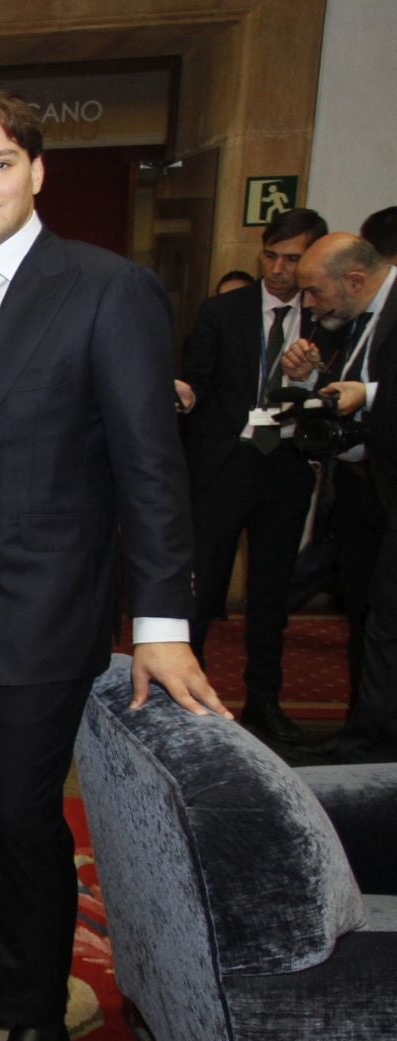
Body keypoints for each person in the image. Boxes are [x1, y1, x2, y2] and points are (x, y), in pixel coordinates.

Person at [0, 89, 227, 1041]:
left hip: (38, 613)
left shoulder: (105, 289)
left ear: (36, 171)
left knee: (20, 810)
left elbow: (149, 467)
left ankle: (36, 1009)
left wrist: (162, 622)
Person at [175, 207, 329, 748]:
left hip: (285, 469)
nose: (279, 269)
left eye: (292, 258)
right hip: (224, 468)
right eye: (271, 255)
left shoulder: (325, 318)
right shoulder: (224, 311)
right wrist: (184, 393)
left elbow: (339, 395)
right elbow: (196, 380)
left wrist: (309, 375)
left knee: (269, 596)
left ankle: (264, 700)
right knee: (201, 591)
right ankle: (185, 695)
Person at [285, 233, 395, 762]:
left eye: (314, 291)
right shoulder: (349, 325)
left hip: (385, 493)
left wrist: (368, 394)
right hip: (360, 495)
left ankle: (371, 744)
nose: (309, 303)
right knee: (369, 619)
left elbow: (373, 390)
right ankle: (365, 735)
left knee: (386, 625)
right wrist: (311, 380)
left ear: (354, 280)